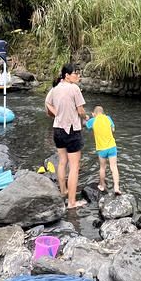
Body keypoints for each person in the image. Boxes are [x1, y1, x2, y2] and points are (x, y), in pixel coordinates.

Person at [45, 64, 88, 209]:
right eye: (76, 73)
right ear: (67, 76)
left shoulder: (55, 89)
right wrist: (86, 117)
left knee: (62, 162)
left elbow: (47, 104)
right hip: (71, 130)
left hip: (57, 129)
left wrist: (56, 114)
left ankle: (63, 191)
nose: (78, 76)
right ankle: (71, 202)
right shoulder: (74, 88)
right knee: (74, 166)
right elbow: (80, 110)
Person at [85, 106, 120, 195]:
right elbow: (113, 129)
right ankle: (116, 187)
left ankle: (102, 185)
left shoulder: (93, 120)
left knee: (102, 168)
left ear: (94, 113)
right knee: (114, 167)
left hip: (101, 149)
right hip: (112, 147)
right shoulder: (108, 118)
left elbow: (86, 125)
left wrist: (88, 119)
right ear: (103, 113)